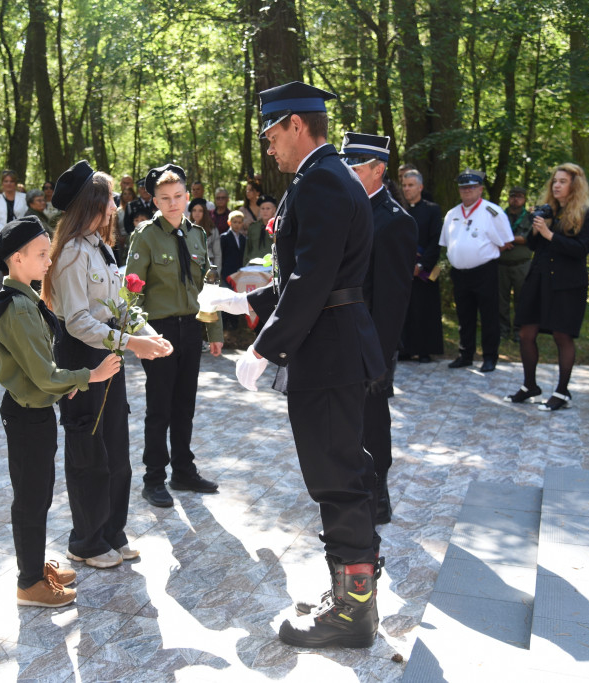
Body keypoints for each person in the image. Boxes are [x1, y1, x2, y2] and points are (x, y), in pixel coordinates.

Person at [201, 82, 387, 649]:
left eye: (271, 133)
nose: (268, 147)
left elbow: (313, 282)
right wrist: (244, 302)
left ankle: (354, 612)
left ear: (296, 125)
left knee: (337, 478)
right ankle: (350, 593)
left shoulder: (324, 181)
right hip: (332, 346)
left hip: (329, 353)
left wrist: (264, 348)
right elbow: (301, 278)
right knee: (336, 473)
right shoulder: (325, 178)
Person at [43, 160, 172, 569]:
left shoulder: (99, 247)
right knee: (88, 451)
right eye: (111, 197)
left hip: (109, 355)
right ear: (93, 203)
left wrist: (147, 333)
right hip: (82, 357)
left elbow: (119, 305)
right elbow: (79, 321)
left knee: (116, 447)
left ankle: (112, 531)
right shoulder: (69, 254)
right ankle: (85, 540)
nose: (116, 205)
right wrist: (131, 343)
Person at [0, 215, 121, 607]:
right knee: (30, 498)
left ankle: (33, 565)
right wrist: (90, 375)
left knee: (38, 495)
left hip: (35, 413)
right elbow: (44, 376)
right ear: (17, 258)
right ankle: (29, 582)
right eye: (42, 254)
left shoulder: (25, 300)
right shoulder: (18, 308)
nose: (49, 261)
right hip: (27, 415)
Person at [126, 164, 223, 509]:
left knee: (185, 406)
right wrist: (141, 338)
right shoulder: (145, 236)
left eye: (178, 196)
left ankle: (183, 470)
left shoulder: (196, 234)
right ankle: (154, 478)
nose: (173, 204)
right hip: (160, 333)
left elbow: (206, 286)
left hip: (190, 327)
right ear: (154, 200)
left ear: (187, 196)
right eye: (165, 198)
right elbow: (131, 294)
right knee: (160, 408)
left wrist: (214, 329)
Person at [339, 131, 416, 526]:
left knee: (373, 417)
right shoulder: (346, 208)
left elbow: (392, 301)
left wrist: (381, 360)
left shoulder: (395, 222)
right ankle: (350, 486)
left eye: (354, 167)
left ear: (378, 170)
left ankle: (379, 491)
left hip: (371, 343)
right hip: (338, 337)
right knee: (343, 419)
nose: (347, 173)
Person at [504, 163, 589, 411]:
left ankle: (562, 391)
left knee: (561, 335)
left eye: (563, 181)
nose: (556, 185)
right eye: (555, 180)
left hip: (567, 283)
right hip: (539, 279)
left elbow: (581, 249)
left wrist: (550, 234)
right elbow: (535, 246)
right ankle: (530, 386)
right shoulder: (548, 210)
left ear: (574, 185)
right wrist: (537, 229)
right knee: (525, 334)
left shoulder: (585, 213)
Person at [440, 169, 513, 372]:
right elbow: (446, 243)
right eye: (463, 187)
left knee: (489, 316)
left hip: (484, 272)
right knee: (464, 316)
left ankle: (490, 357)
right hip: (459, 273)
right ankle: (465, 354)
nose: (467, 191)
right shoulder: (452, 214)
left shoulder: (493, 212)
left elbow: (506, 242)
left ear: (480, 189)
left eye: (471, 187)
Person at [398, 170, 444, 362]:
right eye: (405, 185)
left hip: (424, 270)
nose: (407, 189)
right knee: (405, 310)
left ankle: (425, 350)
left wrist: (422, 264)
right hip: (403, 270)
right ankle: (405, 349)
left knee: (424, 309)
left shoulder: (432, 210)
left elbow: (436, 240)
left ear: (420, 187)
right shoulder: (399, 209)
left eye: (411, 185)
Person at [497, 186, 533, 341]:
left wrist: (508, 239)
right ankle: (502, 330)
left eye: (519, 196)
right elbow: (491, 235)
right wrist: (505, 240)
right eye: (513, 196)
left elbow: (528, 238)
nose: (515, 199)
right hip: (501, 263)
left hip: (522, 264)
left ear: (524, 199)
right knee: (500, 300)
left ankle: (519, 331)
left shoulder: (530, 217)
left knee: (522, 299)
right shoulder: (499, 215)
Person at [187, 198, 221, 270]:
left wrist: (216, 272)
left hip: (208, 265)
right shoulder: (186, 229)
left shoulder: (213, 229)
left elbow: (217, 254)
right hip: (191, 266)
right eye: (194, 210)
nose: (197, 213)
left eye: (200, 211)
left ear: (205, 212)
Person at [244, 194, 277, 265]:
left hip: (272, 265)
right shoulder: (253, 227)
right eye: (262, 208)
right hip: (254, 265)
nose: (265, 211)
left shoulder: (277, 227)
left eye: (268, 208)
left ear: (274, 209)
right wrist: (245, 265)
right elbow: (248, 249)